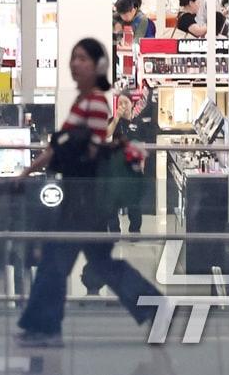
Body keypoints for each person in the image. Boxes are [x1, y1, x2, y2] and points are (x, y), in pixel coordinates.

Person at [16, 38, 155, 346]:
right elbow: (59, 148)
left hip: (82, 197)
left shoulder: (93, 103)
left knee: (55, 260)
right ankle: (153, 305)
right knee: (95, 262)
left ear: (97, 66)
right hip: (82, 196)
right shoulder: (85, 102)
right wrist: (29, 170)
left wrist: (31, 170)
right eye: (74, 57)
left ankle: (43, 326)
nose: (75, 63)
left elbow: (87, 149)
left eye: (83, 58)